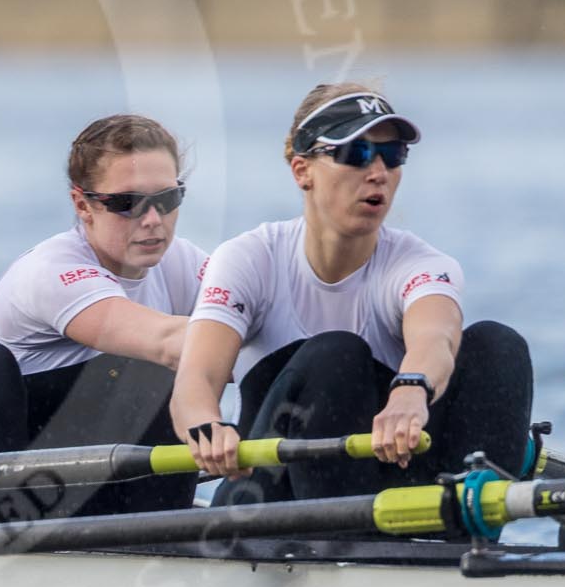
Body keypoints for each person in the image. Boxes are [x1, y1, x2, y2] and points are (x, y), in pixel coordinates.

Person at [171, 83, 533, 503]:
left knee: (498, 344)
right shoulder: (249, 259)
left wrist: (411, 388)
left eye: (393, 154)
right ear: (302, 171)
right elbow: (196, 379)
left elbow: (435, 337)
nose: (378, 171)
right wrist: (207, 428)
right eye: (355, 153)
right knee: (337, 352)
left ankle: (463, 520)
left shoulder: (421, 264)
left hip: (391, 491)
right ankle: (339, 532)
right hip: (265, 500)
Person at [0, 114, 208, 525]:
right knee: (157, 366)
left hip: (83, 487)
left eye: (168, 199)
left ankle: (163, 535)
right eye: (128, 203)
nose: (153, 219)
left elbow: (257, 324)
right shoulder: (52, 271)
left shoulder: (182, 262)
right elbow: (165, 341)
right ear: (83, 205)